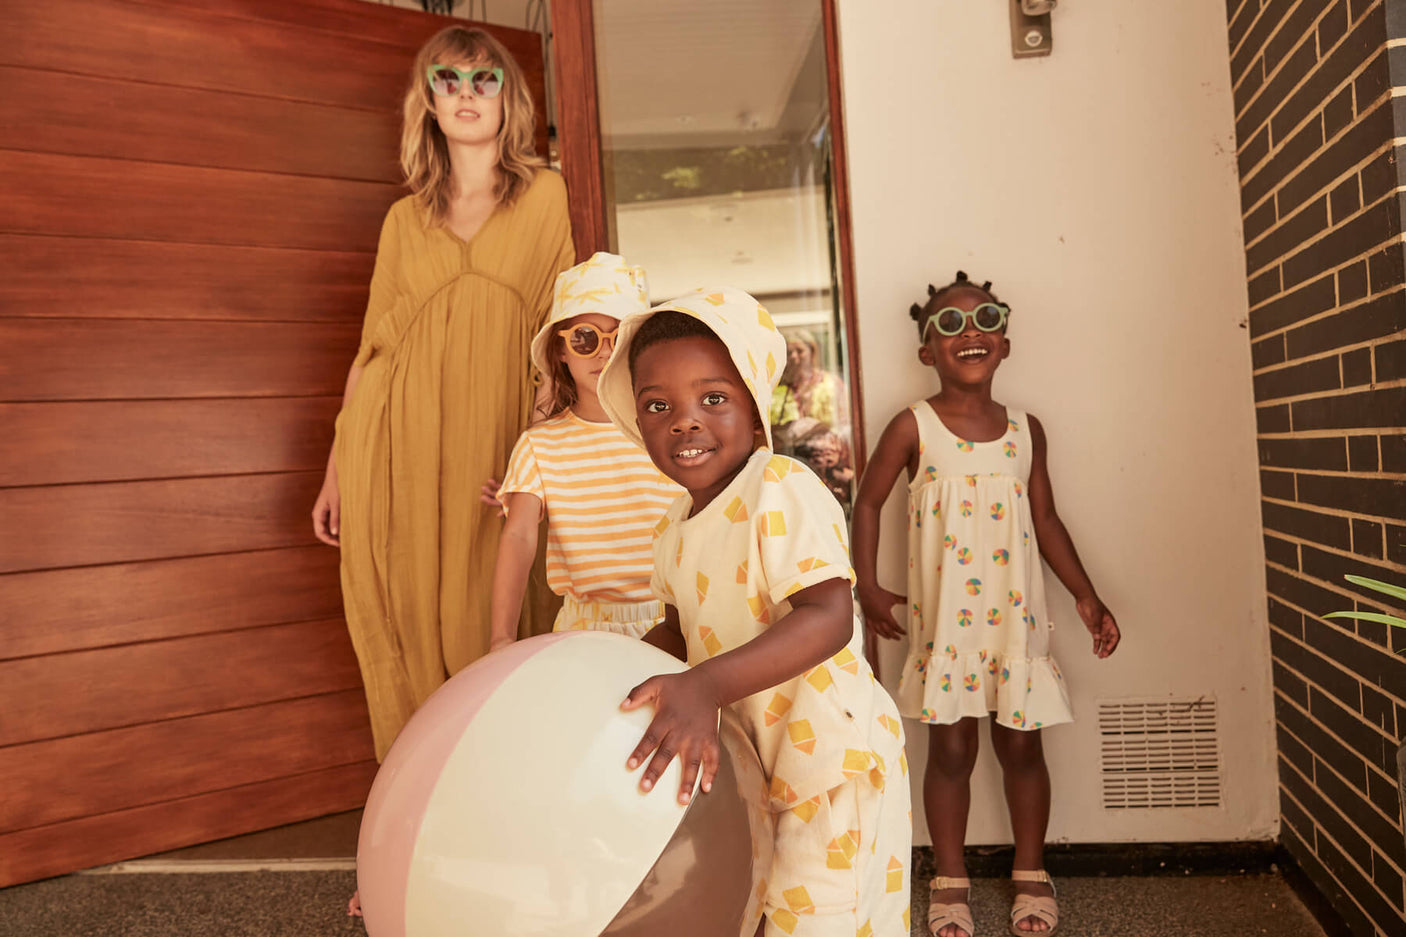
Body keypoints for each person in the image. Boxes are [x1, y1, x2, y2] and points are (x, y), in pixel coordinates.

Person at [597, 289, 912, 937]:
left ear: (755, 404)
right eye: (659, 406)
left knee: (826, 919)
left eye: (712, 398)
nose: (685, 421)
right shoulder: (673, 528)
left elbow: (828, 616)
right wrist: (611, 681)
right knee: (770, 914)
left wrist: (704, 684)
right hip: (755, 768)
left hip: (828, 761)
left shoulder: (780, 486)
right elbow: (677, 634)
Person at [310, 25, 574, 765]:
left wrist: (532, 455)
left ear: (507, 98)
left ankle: (508, 806)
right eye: (448, 80)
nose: (465, 94)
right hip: (396, 452)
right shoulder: (404, 219)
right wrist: (336, 471)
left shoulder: (546, 195)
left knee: (495, 615)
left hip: (495, 442)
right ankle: (420, 822)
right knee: (404, 616)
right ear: (426, 101)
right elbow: (370, 353)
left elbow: (559, 336)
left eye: (483, 79)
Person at [850, 272, 1121, 937]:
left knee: (1022, 749)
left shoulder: (1027, 430)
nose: (967, 332)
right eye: (948, 325)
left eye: (983, 320)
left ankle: (1032, 867)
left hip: (1014, 622)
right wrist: (868, 584)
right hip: (947, 626)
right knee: (950, 751)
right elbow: (868, 501)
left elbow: (1048, 518)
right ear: (926, 352)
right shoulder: (912, 426)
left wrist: (1086, 595)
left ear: (1004, 342)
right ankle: (949, 876)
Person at [488, 253, 681, 649]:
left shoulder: (671, 430)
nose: (603, 352)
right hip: (585, 630)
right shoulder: (539, 446)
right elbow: (519, 536)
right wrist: (500, 638)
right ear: (560, 350)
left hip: (682, 620)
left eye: (620, 338)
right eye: (584, 337)